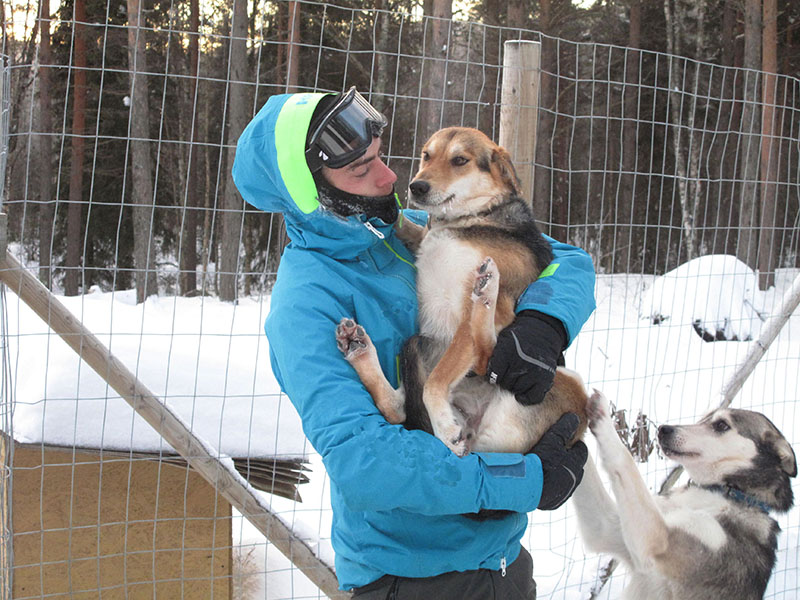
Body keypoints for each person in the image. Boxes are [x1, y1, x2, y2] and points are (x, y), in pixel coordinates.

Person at [232, 88, 596, 598]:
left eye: (380, 157)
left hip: (503, 561)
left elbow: (566, 259)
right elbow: (365, 464)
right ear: (311, 193)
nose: (390, 178)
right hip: (413, 578)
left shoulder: (410, 227)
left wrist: (545, 322)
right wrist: (520, 480)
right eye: (361, 171)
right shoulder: (305, 303)